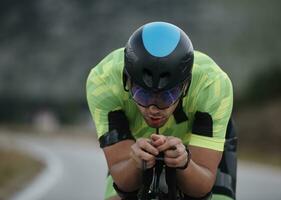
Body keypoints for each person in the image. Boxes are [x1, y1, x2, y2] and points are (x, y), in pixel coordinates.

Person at [86, 21, 237, 200]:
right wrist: (135, 164)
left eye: (167, 97)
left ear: (185, 87)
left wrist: (185, 163)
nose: (153, 109)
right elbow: (123, 177)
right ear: (127, 82)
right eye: (142, 95)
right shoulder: (103, 82)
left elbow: (202, 186)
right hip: (133, 144)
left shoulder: (213, 85)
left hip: (195, 148)